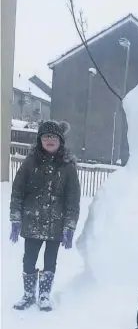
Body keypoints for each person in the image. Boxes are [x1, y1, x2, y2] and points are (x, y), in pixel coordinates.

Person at [9, 120, 81, 312]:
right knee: (29, 259)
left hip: (56, 224)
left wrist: (69, 226)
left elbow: (73, 199)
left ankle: (44, 294)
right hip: (32, 221)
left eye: (54, 136)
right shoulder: (30, 162)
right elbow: (17, 191)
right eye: (46, 136)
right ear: (40, 139)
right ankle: (28, 294)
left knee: (50, 260)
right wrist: (16, 218)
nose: (50, 140)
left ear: (60, 141)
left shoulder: (68, 167)